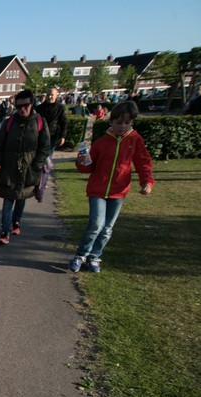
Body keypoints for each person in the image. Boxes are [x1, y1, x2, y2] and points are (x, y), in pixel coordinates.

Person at [68, 101, 154, 274]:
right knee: (96, 225)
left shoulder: (135, 140)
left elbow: (143, 162)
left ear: (132, 122)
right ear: (111, 122)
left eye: (127, 123)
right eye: (119, 122)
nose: (123, 126)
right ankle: (81, 255)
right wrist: (81, 162)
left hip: (118, 191)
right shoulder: (102, 142)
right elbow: (88, 167)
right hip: (98, 190)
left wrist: (147, 182)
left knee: (107, 228)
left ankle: (94, 256)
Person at [0, 89, 51, 245]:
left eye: (25, 106)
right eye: (18, 106)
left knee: (21, 197)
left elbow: (45, 147)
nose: (22, 109)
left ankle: (16, 221)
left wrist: (36, 165)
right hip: (9, 167)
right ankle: (5, 232)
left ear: (32, 104)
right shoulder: (9, 122)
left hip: (29, 168)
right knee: (8, 200)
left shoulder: (40, 122)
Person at [35, 87, 68, 156]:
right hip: (40, 136)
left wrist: (63, 136)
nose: (49, 97)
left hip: (52, 136)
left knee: (47, 157)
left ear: (56, 96)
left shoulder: (60, 108)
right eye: (48, 95)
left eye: (52, 95)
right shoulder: (39, 108)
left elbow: (63, 122)